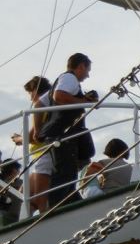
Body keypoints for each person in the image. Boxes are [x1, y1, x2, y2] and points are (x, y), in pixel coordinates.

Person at [44, 52, 98, 205]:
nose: (87, 75)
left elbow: (42, 102)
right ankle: (57, 208)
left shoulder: (63, 79)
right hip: (63, 134)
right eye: (88, 70)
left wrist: (83, 100)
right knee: (65, 173)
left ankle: (71, 202)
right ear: (81, 66)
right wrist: (82, 101)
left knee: (69, 174)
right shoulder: (69, 78)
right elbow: (59, 97)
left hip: (60, 133)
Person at [10, 76, 54, 214]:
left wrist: (19, 139)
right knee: (24, 195)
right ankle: (24, 226)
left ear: (35, 90)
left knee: (41, 201)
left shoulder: (43, 107)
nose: (30, 98)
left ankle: (43, 226)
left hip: (44, 156)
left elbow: (35, 136)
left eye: (30, 93)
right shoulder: (49, 106)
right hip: (37, 157)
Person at [1, 158, 23, 225]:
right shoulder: (19, 183)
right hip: (12, 217)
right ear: (14, 170)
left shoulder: (2, 183)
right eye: (18, 169)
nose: (19, 172)